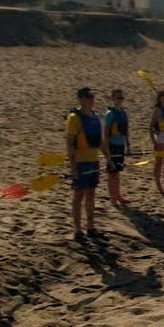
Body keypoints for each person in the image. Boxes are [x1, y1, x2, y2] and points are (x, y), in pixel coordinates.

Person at [64, 86, 103, 238]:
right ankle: (77, 229)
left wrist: (109, 158)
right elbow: (69, 143)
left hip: (93, 160)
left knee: (91, 195)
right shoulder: (74, 118)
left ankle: (91, 227)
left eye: (93, 97)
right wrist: (73, 166)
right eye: (89, 97)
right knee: (78, 196)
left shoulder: (95, 116)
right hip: (81, 162)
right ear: (81, 99)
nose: (92, 100)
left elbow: (101, 141)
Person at [104, 87, 132, 207]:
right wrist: (106, 149)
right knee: (112, 172)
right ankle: (113, 198)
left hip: (121, 145)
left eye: (121, 98)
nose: (120, 100)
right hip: (112, 145)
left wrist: (128, 144)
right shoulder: (110, 114)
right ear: (113, 99)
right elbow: (105, 132)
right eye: (118, 98)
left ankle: (118, 195)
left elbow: (126, 130)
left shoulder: (123, 113)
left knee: (118, 171)